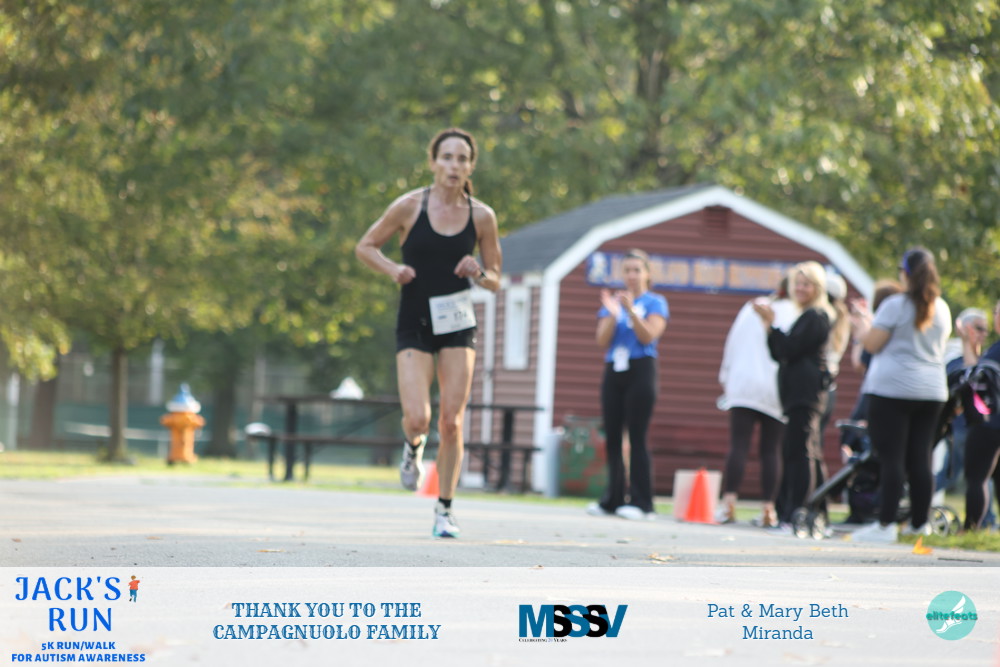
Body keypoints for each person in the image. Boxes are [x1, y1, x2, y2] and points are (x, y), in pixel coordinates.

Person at [355, 127, 501, 538]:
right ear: (434, 162)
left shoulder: (482, 216)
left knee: (451, 422)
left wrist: (479, 273)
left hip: (457, 322)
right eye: (447, 157)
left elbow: (495, 279)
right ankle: (413, 446)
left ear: (471, 167)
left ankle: (445, 510)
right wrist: (394, 269)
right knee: (418, 418)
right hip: (415, 320)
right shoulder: (408, 206)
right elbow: (365, 246)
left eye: (462, 159)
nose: (454, 165)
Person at [849, 247, 951, 542]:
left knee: (892, 458)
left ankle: (886, 525)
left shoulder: (895, 305)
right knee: (921, 458)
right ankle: (919, 524)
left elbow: (872, 344)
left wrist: (862, 326)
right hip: (932, 390)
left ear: (905, 273)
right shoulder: (942, 307)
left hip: (892, 389)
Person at [586, 249, 668, 521]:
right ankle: (613, 499)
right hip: (614, 369)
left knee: (636, 436)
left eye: (637, 270)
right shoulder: (613, 302)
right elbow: (601, 340)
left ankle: (643, 502)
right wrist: (612, 314)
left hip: (641, 368)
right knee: (612, 435)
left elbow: (649, 336)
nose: (631, 275)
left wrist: (631, 311)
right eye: (627, 270)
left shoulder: (655, 302)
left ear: (647, 274)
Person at [752, 261, 833, 531]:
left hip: (805, 394)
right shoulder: (805, 315)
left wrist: (771, 324)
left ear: (817, 288)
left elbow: (788, 349)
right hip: (795, 395)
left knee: (801, 453)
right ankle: (805, 510)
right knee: (799, 451)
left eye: (806, 284)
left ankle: (799, 511)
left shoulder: (816, 316)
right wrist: (769, 326)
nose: (800, 288)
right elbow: (780, 352)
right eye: (797, 283)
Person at [716, 274, 800, 527]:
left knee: (738, 445)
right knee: (771, 450)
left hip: (743, 383)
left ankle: (729, 503)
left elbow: (732, 343)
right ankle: (768, 508)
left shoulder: (751, 307)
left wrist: (726, 376)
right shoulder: (796, 313)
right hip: (775, 387)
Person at [934, 308, 989, 502]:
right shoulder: (954, 358)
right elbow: (970, 379)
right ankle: (915, 496)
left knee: (967, 475)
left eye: (986, 329)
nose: (984, 334)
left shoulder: (983, 357)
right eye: (979, 328)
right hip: (961, 426)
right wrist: (966, 342)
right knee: (971, 475)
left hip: (979, 425)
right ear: (966, 328)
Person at [963, 299, 1000, 531]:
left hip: (990, 421)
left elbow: (974, 378)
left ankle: (970, 528)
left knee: (976, 477)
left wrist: (967, 345)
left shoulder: (997, 350)